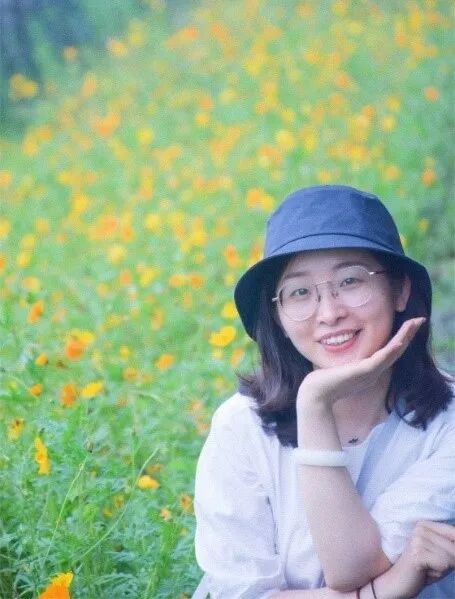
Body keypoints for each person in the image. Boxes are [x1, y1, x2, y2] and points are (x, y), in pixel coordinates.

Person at [193, 185, 455, 598]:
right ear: (278, 315)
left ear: (401, 290)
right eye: (300, 292)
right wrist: (382, 592)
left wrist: (314, 404)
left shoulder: (449, 423)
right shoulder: (240, 428)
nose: (330, 313)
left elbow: (352, 567)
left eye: (350, 281)